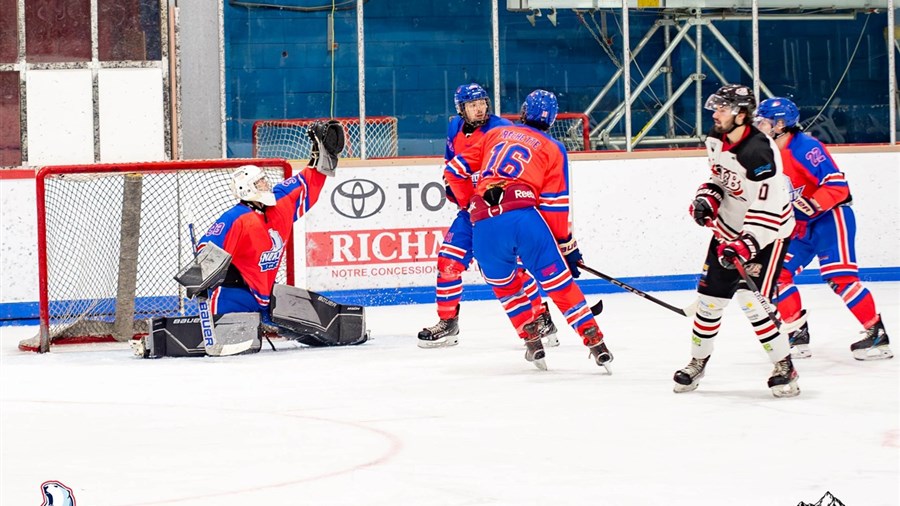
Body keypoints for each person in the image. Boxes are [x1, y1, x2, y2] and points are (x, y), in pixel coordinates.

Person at [443, 89, 612, 372]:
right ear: (553, 119)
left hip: (484, 222)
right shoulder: (553, 148)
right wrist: (565, 246)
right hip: (524, 219)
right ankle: (595, 341)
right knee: (559, 285)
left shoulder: (496, 134)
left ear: (522, 112)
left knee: (508, 289)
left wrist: (469, 203)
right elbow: (555, 206)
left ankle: (531, 340)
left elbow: (455, 170)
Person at [196, 121, 367, 348]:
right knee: (233, 350)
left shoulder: (280, 204)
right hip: (233, 296)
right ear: (247, 188)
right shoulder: (235, 218)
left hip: (267, 296)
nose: (267, 184)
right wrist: (199, 281)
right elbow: (207, 249)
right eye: (260, 182)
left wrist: (322, 155)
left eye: (265, 179)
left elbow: (307, 182)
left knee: (327, 337)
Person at [676, 84, 800, 397]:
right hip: (728, 231)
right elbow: (720, 179)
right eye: (715, 107)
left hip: (767, 236)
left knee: (751, 301)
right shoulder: (716, 139)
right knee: (709, 302)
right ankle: (697, 361)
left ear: (741, 114)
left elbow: (769, 208)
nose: (715, 113)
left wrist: (746, 244)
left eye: (722, 108)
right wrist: (708, 198)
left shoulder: (759, 151)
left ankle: (785, 365)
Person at [418, 83, 558, 349]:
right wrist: (455, 189)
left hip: (497, 212)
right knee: (448, 261)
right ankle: (448, 324)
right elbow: (451, 165)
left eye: (482, 102)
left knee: (510, 268)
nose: (480, 108)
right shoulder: (454, 128)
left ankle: (541, 317)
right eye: (473, 104)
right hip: (469, 211)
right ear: (461, 109)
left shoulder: (501, 128)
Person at [754, 97, 893, 361]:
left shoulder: (805, 147)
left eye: (764, 122)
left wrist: (815, 203)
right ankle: (796, 333)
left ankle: (876, 335)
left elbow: (837, 186)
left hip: (831, 218)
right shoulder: (767, 153)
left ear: (781, 124)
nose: (759, 127)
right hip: (801, 226)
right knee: (777, 275)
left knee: (840, 279)